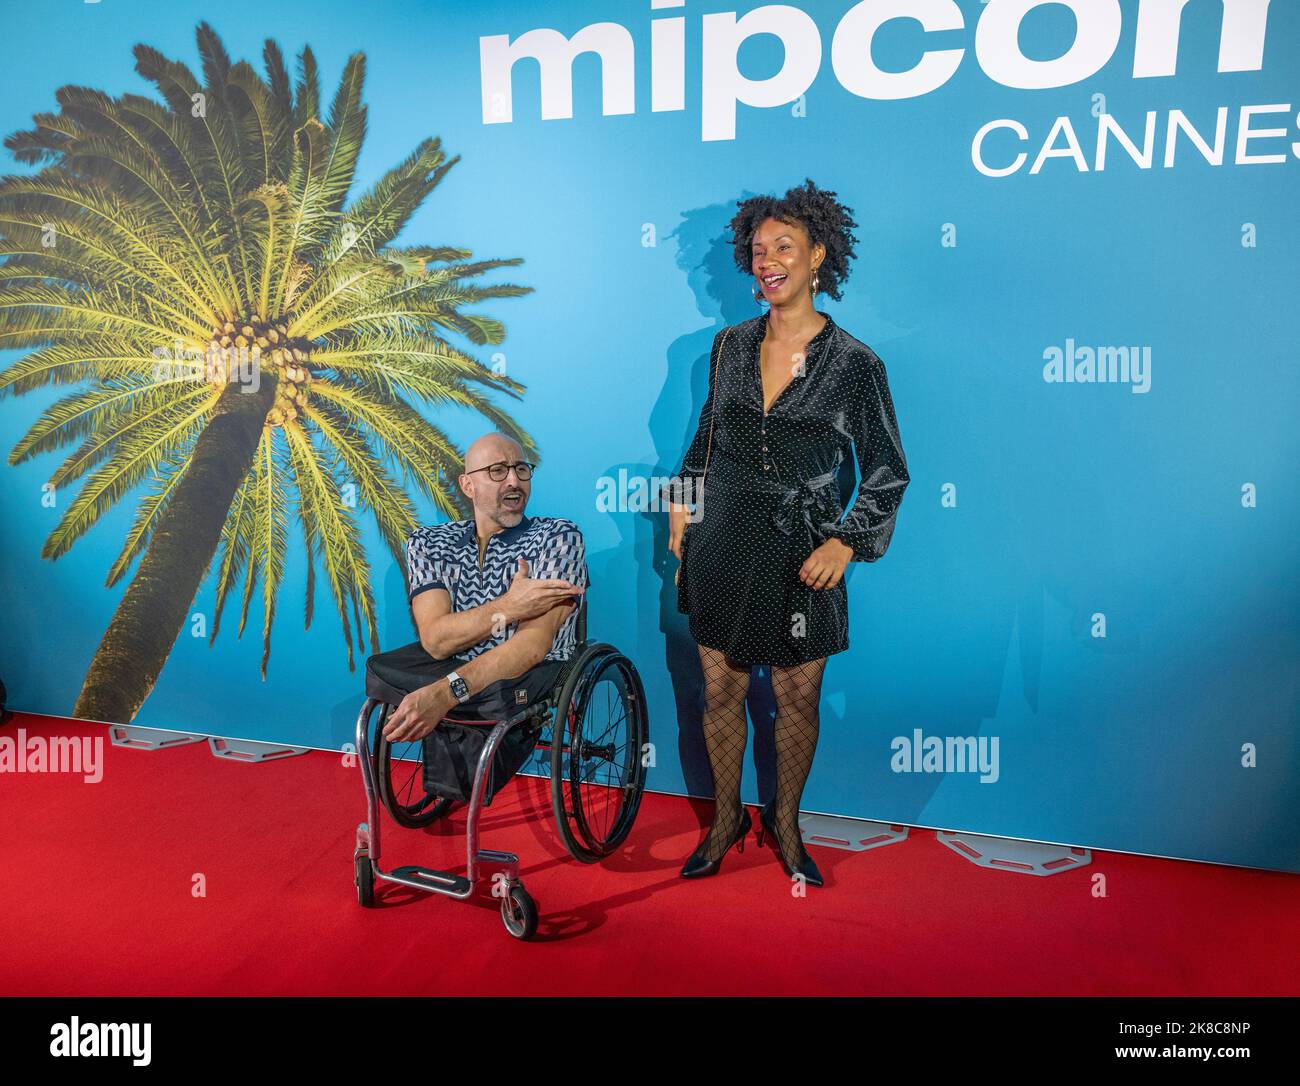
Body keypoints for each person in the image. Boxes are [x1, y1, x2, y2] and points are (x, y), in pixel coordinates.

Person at [667, 178, 909, 885]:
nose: (767, 259)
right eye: (758, 248)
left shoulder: (858, 364)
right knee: (722, 694)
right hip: (721, 542)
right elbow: (706, 444)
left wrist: (847, 542)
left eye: (784, 247)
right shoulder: (728, 348)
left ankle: (786, 822)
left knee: (798, 699)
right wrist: (680, 512)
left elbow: (889, 470)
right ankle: (723, 820)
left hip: (805, 552)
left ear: (817, 258)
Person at [381, 432, 587, 743]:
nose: (514, 481)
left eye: (521, 469)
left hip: (530, 675)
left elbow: (531, 646)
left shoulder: (557, 538)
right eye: (497, 471)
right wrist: (509, 606)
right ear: (467, 485)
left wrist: (444, 693)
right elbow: (436, 641)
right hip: (454, 666)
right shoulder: (430, 543)